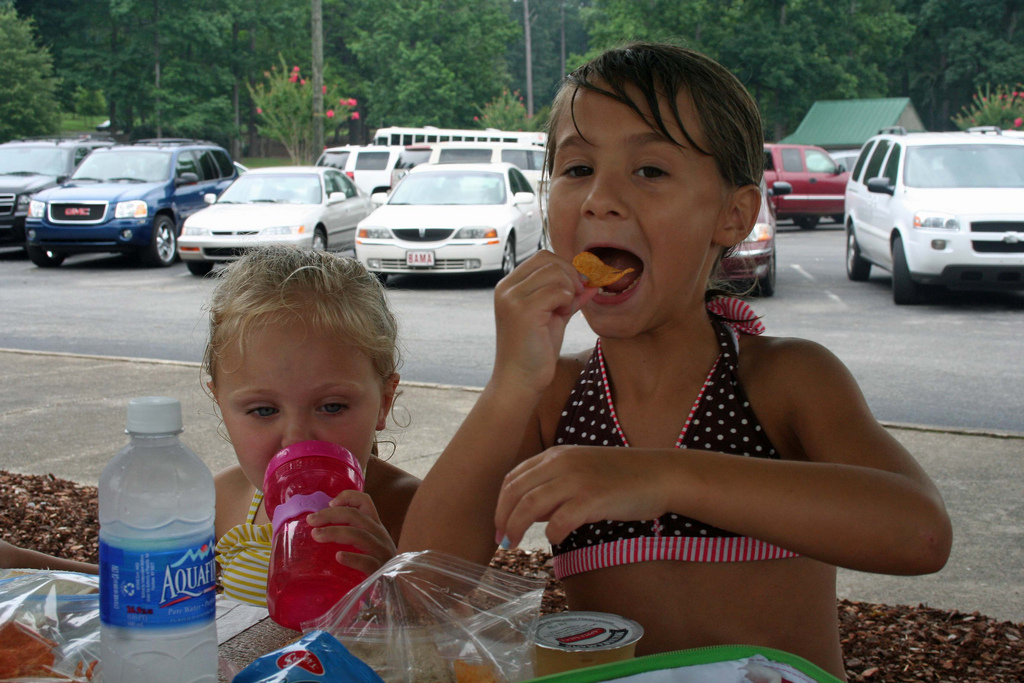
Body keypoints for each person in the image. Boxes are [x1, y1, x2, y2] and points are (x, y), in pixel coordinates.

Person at [400, 41, 952, 678]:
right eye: (576, 169)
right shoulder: (555, 398)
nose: (598, 200)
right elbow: (419, 588)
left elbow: (920, 534)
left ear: (733, 215)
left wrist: (660, 477)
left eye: (650, 171)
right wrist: (511, 382)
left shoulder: (782, 380)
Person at [2, 246, 419, 610]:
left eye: (332, 406)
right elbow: (153, 595)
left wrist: (392, 579)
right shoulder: (223, 500)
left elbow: (449, 641)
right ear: (220, 403)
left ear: (383, 400)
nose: (297, 438)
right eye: (262, 410)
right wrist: (20, 561)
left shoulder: (417, 510)